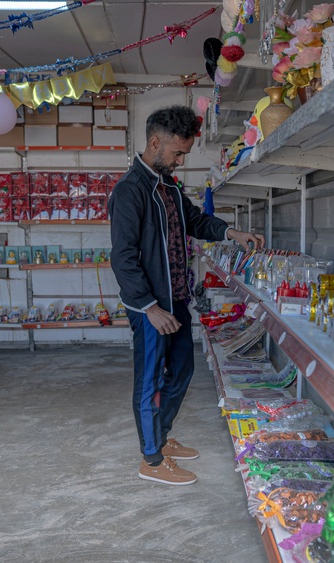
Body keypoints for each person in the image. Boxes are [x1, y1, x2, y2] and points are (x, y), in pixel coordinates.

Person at [109, 106, 265, 485]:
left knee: (182, 370)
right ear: (155, 142)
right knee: (148, 381)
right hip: (152, 308)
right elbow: (123, 258)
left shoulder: (170, 187)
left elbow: (195, 220)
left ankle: (160, 438)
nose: (180, 161)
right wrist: (148, 307)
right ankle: (151, 460)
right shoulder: (131, 191)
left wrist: (231, 233)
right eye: (177, 153)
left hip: (175, 299)